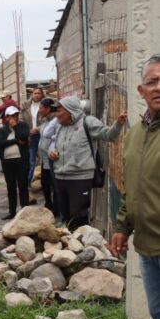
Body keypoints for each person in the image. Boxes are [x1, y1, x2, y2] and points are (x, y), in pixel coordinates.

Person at [109, 54, 160, 319]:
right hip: (147, 241)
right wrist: (122, 226)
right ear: (141, 90)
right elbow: (132, 186)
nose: (159, 87)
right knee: (159, 312)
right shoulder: (138, 132)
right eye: (153, 81)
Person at [50, 96, 126, 230]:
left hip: (80, 179)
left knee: (78, 218)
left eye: (59, 110)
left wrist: (118, 124)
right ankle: (70, 247)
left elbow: (108, 134)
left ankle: (81, 247)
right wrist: (53, 152)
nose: (56, 114)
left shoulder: (87, 122)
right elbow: (55, 145)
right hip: (60, 178)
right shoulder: (60, 127)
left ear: (70, 111)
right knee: (66, 217)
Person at [0, 106, 30, 220]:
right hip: (7, 162)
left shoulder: (23, 126)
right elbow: (0, 143)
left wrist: (15, 127)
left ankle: (25, 210)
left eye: (16, 115)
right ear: (7, 117)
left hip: (21, 161)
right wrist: (15, 140)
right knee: (11, 187)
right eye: (12, 115)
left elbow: (24, 137)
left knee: (23, 185)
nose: (14, 117)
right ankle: (12, 211)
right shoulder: (2, 130)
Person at [36, 98, 60, 216]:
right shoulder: (45, 120)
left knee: (54, 184)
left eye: (41, 108)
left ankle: (56, 209)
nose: (39, 110)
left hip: (52, 158)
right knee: (45, 184)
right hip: (44, 158)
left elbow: (51, 135)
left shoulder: (56, 121)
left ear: (48, 109)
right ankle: (48, 205)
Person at [22, 87, 45, 186]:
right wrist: (27, 132)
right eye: (34, 93)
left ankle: (44, 183)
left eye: (38, 93)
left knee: (44, 159)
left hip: (43, 134)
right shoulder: (25, 105)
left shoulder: (46, 105)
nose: (36, 95)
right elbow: (21, 119)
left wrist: (37, 129)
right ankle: (27, 185)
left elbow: (48, 120)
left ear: (42, 95)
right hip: (30, 136)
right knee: (31, 160)